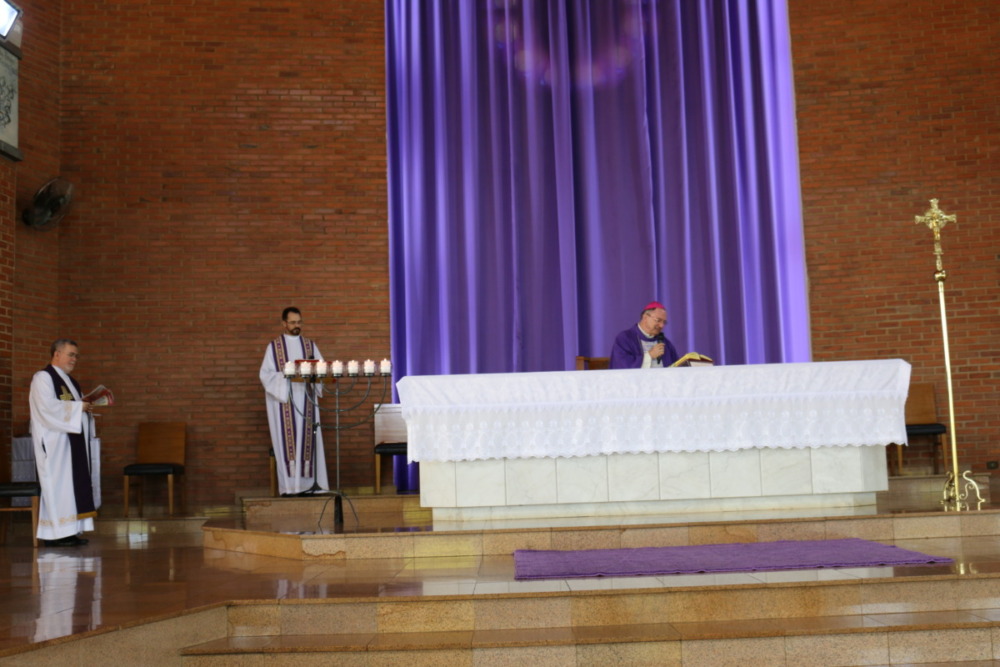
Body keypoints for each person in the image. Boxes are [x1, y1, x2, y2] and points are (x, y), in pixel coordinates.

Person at [29, 339, 99, 547]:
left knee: (70, 487)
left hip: (70, 443)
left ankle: (70, 531)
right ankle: (55, 534)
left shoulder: (71, 382)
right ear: (56, 354)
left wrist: (85, 408)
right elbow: (46, 408)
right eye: (70, 354)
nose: (74, 359)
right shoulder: (43, 378)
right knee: (58, 486)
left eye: (76, 355)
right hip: (54, 444)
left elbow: (73, 408)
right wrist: (78, 409)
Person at [259, 307, 330, 496]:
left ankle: (310, 486)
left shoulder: (310, 346)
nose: (296, 326)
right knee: (288, 444)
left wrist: (316, 374)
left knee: (308, 442)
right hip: (285, 401)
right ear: (284, 323)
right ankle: (291, 488)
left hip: (307, 400)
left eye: (299, 322)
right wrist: (287, 376)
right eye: (292, 322)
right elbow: (265, 375)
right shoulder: (274, 347)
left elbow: (322, 370)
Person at [609, 301, 681, 369]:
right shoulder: (625, 339)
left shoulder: (665, 342)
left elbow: (676, 366)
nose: (661, 325)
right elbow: (622, 367)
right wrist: (649, 356)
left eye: (664, 322)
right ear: (645, 317)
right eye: (658, 320)